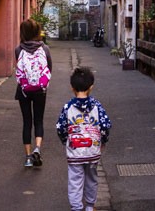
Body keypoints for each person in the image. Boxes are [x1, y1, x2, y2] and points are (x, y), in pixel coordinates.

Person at [56, 66, 112, 211]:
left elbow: (61, 128)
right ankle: (89, 206)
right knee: (92, 179)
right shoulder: (97, 106)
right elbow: (105, 125)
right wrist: (102, 142)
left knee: (75, 181)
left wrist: (65, 141)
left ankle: (76, 207)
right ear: (91, 87)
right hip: (92, 150)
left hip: (75, 152)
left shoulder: (68, 107)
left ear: (72, 88)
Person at [14, 18, 52, 168]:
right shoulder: (45, 49)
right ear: (38, 32)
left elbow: (18, 69)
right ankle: (38, 148)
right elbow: (49, 68)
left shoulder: (18, 49)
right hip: (40, 90)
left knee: (27, 122)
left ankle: (28, 157)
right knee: (39, 120)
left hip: (23, 91)